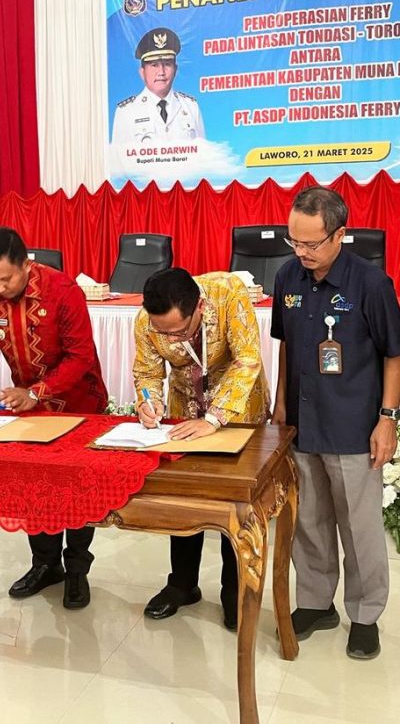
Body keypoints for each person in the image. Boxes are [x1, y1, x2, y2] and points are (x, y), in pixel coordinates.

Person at [271, 186, 400, 660]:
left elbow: (395, 354)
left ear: (340, 235)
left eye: (312, 243)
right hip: (303, 423)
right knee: (308, 521)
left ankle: (366, 613)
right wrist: (280, 405)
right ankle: (315, 602)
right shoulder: (287, 277)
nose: (302, 253)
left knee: (359, 525)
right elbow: (287, 344)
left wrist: (387, 419)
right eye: (295, 242)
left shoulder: (371, 284)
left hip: (353, 424)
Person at [0, 226, 108, 610]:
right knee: (35, 488)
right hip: (28, 409)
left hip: (78, 404)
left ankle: (77, 570)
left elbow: (80, 357)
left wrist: (35, 393)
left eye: (6, 279)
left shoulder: (63, 291)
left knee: (77, 490)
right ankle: (45, 564)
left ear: (26, 264)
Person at [133, 268, 270, 630]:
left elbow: (247, 359)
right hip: (185, 414)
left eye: (179, 330)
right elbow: (147, 373)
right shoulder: (147, 320)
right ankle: (181, 584)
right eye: (164, 332)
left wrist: (215, 418)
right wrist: (148, 402)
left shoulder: (228, 294)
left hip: (238, 411)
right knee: (184, 502)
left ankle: (233, 590)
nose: (171, 338)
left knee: (232, 503)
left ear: (200, 307)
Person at [111, 27, 206, 145]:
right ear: (142, 72)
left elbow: (202, 158)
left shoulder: (191, 107)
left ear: (175, 69)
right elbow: (119, 160)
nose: (161, 72)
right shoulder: (126, 112)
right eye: (154, 65)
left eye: (167, 64)